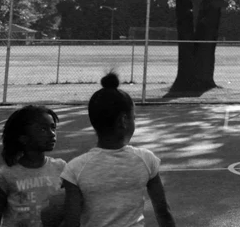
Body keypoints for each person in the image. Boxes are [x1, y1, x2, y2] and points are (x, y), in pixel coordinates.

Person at [61, 73, 176, 227]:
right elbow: (163, 212)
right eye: (133, 118)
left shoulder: (75, 168)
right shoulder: (146, 160)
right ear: (123, 121)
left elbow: (71, 223)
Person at [0, 105, 66, 227]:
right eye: (43, 130)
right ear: (23, 138)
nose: (52, 134)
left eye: (53, 128)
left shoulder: (61, 167)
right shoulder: (7, 174)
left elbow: (70, 208)